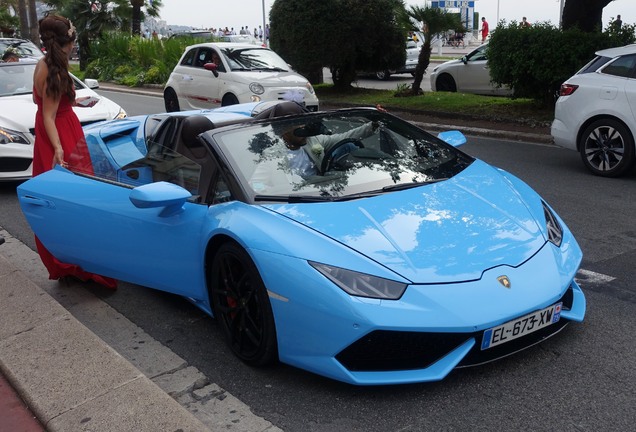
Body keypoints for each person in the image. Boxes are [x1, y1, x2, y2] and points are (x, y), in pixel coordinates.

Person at [32, 14, 117, 289]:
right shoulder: (54, 70)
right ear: (67, 42)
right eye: (73, 41)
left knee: (58, 203)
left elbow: (53, 106)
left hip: (58, 131)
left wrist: (77, 104)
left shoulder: (44, 64)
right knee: (77, 202)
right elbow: (49, 114)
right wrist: (59, 148)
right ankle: (81, 264)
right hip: (61, 137)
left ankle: (68, 263)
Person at [250, 114, 379, 192]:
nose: (306, 132)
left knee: (349, 146)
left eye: (306, 128)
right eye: (300, 130)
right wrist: (274, 193)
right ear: (285, 132)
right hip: (297, 194)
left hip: (322, 188)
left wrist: (373, 125)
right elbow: (256, 184)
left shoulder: (313, 140)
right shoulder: (273, 154)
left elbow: (345, 137)